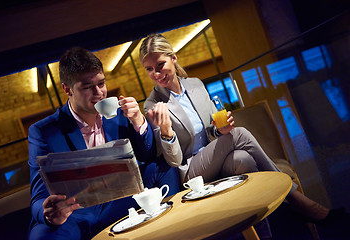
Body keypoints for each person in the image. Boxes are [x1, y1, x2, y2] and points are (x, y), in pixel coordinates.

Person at [140, 33, 341, 224]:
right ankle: (298, 199)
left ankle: (266, 228)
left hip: (217, 155)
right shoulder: (153, 105)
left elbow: (212, 130)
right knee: (240, 133)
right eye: (149, 69)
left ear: (173, 58)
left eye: (160, 65)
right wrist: (166, 131)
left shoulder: (195, 85)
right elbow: (174, 161)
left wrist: (221, 130)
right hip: (190, 170)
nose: (156, 74)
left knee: (243, 160)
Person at [28, 47, 179, 240]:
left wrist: (139, 123)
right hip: (77, 213)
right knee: (42, 235)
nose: (99, 93)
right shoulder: (43, 131)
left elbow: (148, 157)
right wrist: (48, 214)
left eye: (101, 83)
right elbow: (38, 197)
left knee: (163, 168)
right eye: (87, 87)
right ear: (68, 89)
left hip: (120, 199)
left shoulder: (118, 113)